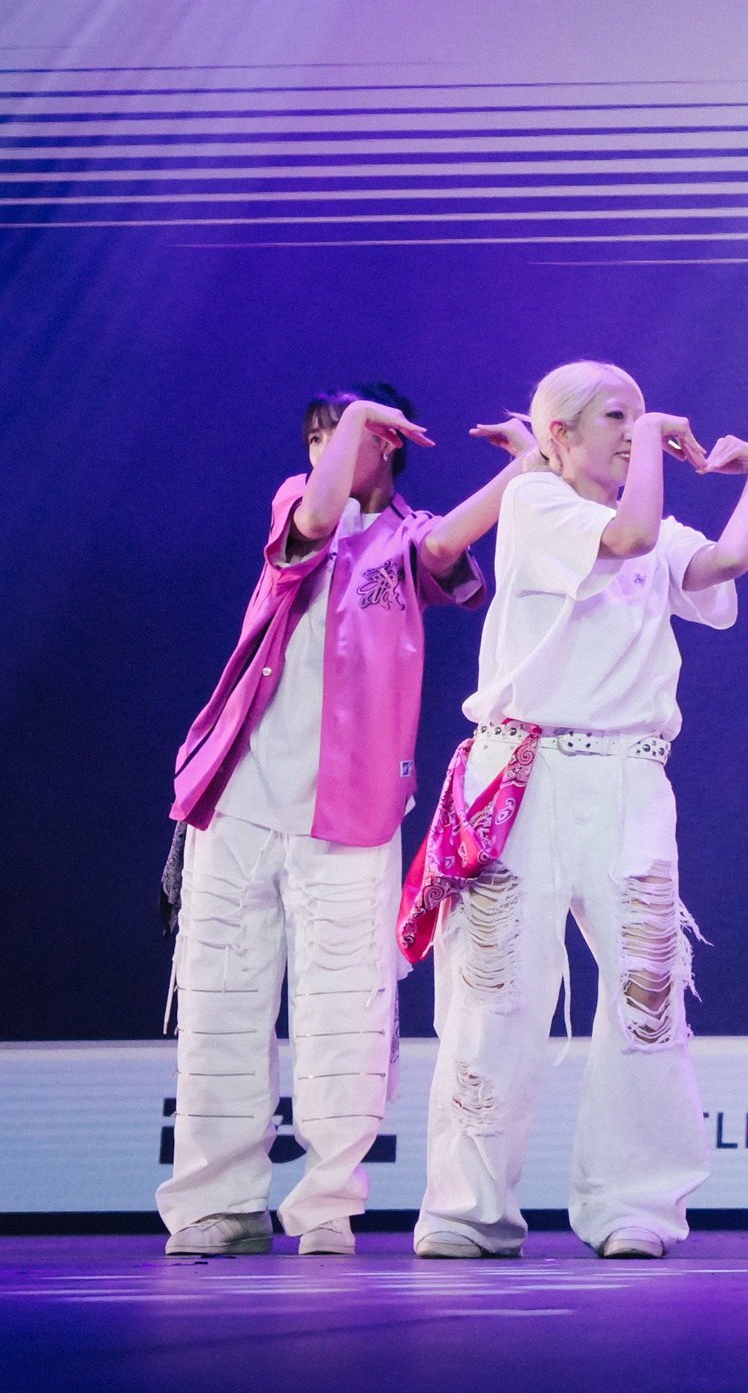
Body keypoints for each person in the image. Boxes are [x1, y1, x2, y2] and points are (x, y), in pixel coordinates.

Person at [401, 358, 748, 1260]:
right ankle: (466, 1210)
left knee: (647, 992)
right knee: (496, 993)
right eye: (617, 417)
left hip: (628, 777)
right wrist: (656, 436)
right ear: (559, 434)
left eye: (640, 417)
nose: (636, 431)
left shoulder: (652, 530)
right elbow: (629, 535)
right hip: (524, 772)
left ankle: (632, 1205)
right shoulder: (537, 502)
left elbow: (725, 561)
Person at [160, 386, 528, 1257]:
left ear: (391, 444)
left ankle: (326, 1204)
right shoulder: (298, 501)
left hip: (353, 811)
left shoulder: (408, 540)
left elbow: (450, 545)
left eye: (345, 433)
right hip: (239, 797)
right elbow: (319, 514)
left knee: (345, 1014)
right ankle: (218, 1204)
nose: (323, 449)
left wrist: (528, 464)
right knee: (222, 1003)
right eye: (317, 436)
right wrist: (355, 423)